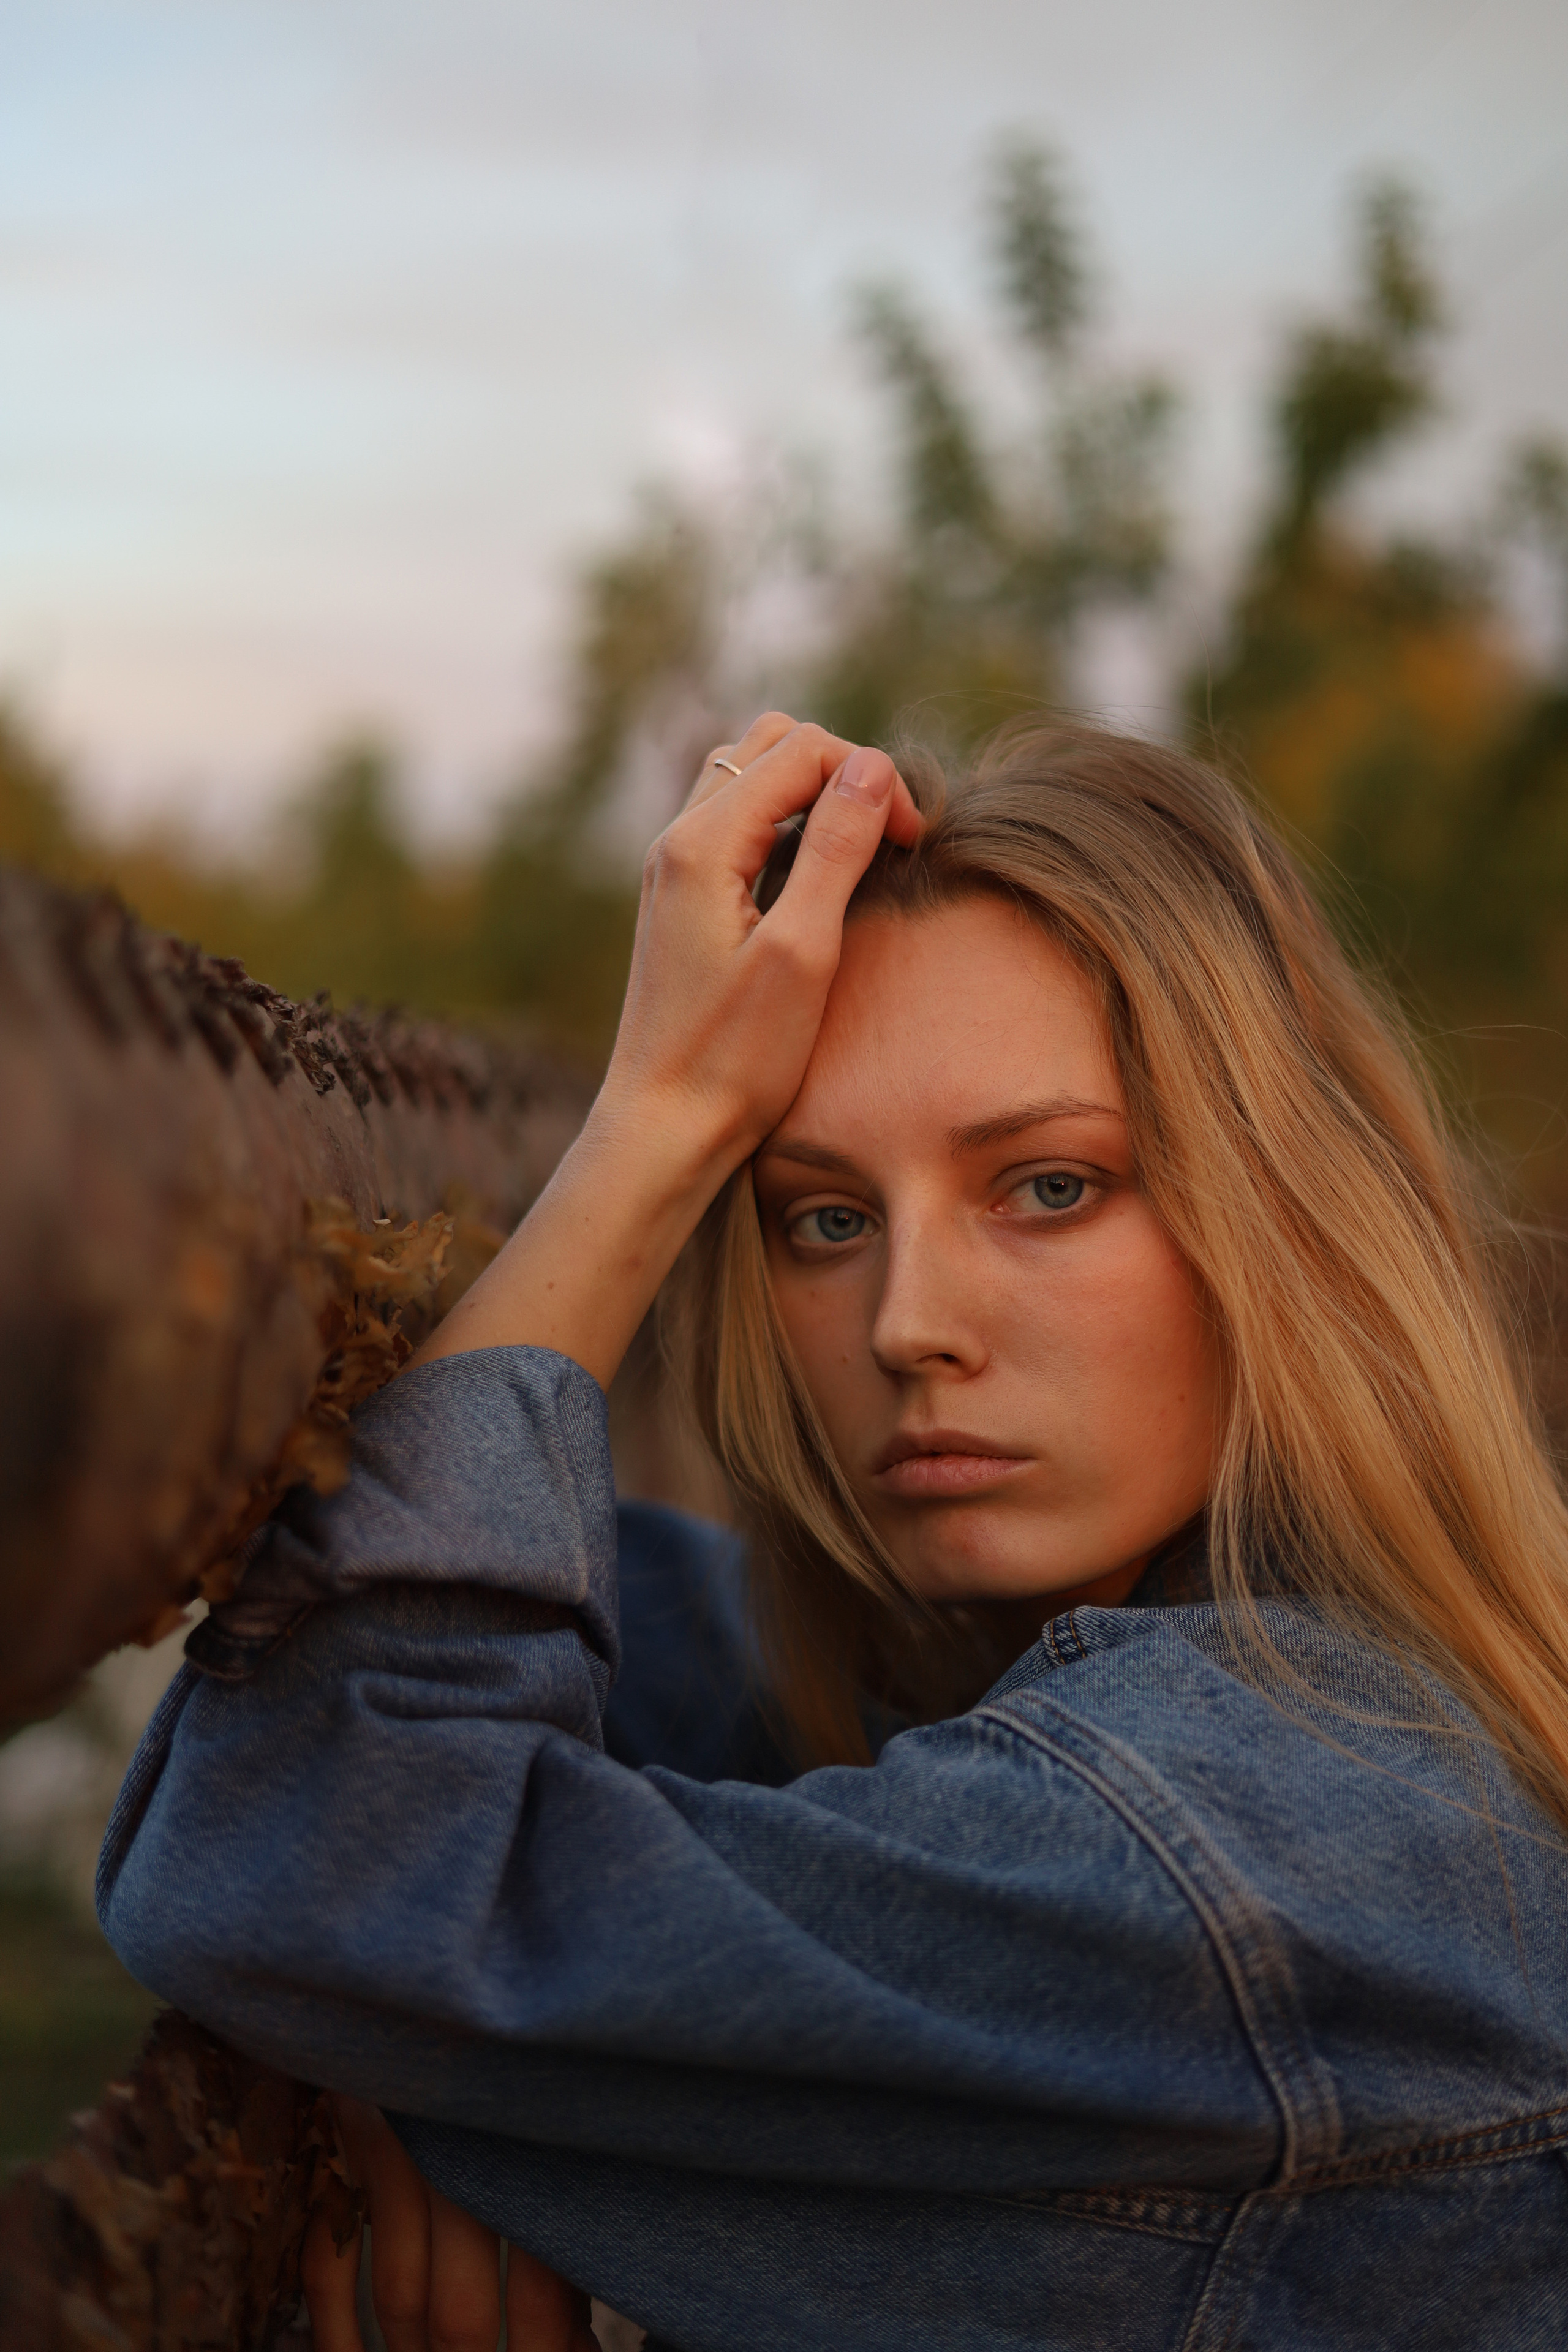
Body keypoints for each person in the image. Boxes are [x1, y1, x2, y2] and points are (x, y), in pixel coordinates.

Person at [99, 714, 1568, 2352]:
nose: (907, 1326)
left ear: (1290, 1210)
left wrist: (647, 1135)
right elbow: (553, 1671)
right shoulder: (1343, 1685)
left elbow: (289, 1855)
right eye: (822, 1216)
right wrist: (446, 2063)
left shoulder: (1228, 1846)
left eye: (1051, 1188)